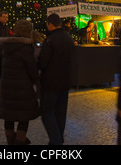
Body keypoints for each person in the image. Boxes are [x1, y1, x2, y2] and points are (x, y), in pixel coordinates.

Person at [0, 19, 40, 145]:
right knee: (24, 116)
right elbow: (32, 70)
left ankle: (10, 139)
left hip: (7, 86)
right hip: (23, 88)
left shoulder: (6, 47)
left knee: (8, 115)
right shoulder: (26, 48)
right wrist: (36, 81)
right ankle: (19, 141)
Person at [38, 13, 75, 145]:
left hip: (51, 82)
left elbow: (43, 62)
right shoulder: (68, 38)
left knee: (47, 112)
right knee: (60, 112)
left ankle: (56, 141)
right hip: (65, 82)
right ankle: (58, 139)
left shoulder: (49, 40)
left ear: (50, 24)